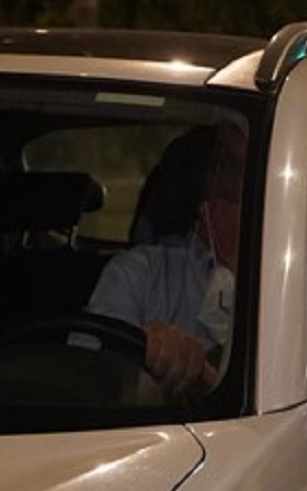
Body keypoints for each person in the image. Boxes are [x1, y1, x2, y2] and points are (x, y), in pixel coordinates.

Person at [87, 123, 246, 400]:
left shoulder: (292, 281)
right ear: (214, 209)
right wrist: (151, 356)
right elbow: (92, 380)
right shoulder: (139, 273)